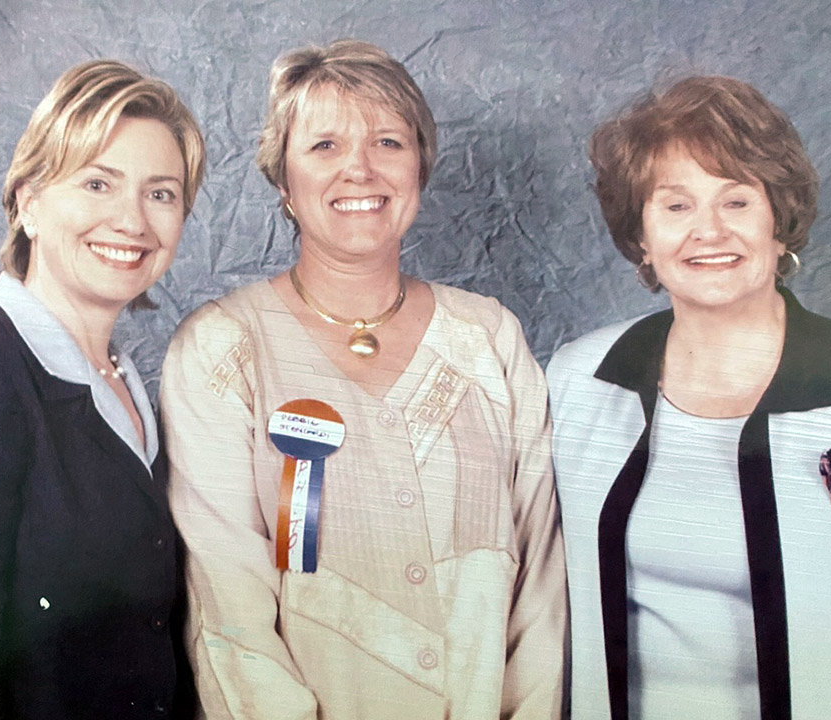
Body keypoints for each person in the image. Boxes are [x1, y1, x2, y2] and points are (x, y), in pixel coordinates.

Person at [160, 39, 566, 719]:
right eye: (323, 146)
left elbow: (542, 597)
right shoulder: (223, 350)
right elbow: (230, 621)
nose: (360, 169)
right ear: (284, 181)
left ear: (420, 167)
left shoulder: (489, 340)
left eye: (388, 142)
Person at [547, 75, 831, 719]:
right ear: (641, 237)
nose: (708, 231)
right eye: (675, 206)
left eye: (736, 202)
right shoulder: (580, 381)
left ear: (779, 223)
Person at [0, 59, 206, 719]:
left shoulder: (132, 387)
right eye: (98, 183)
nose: (133, 220)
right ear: (29, 202)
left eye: (160, 193)